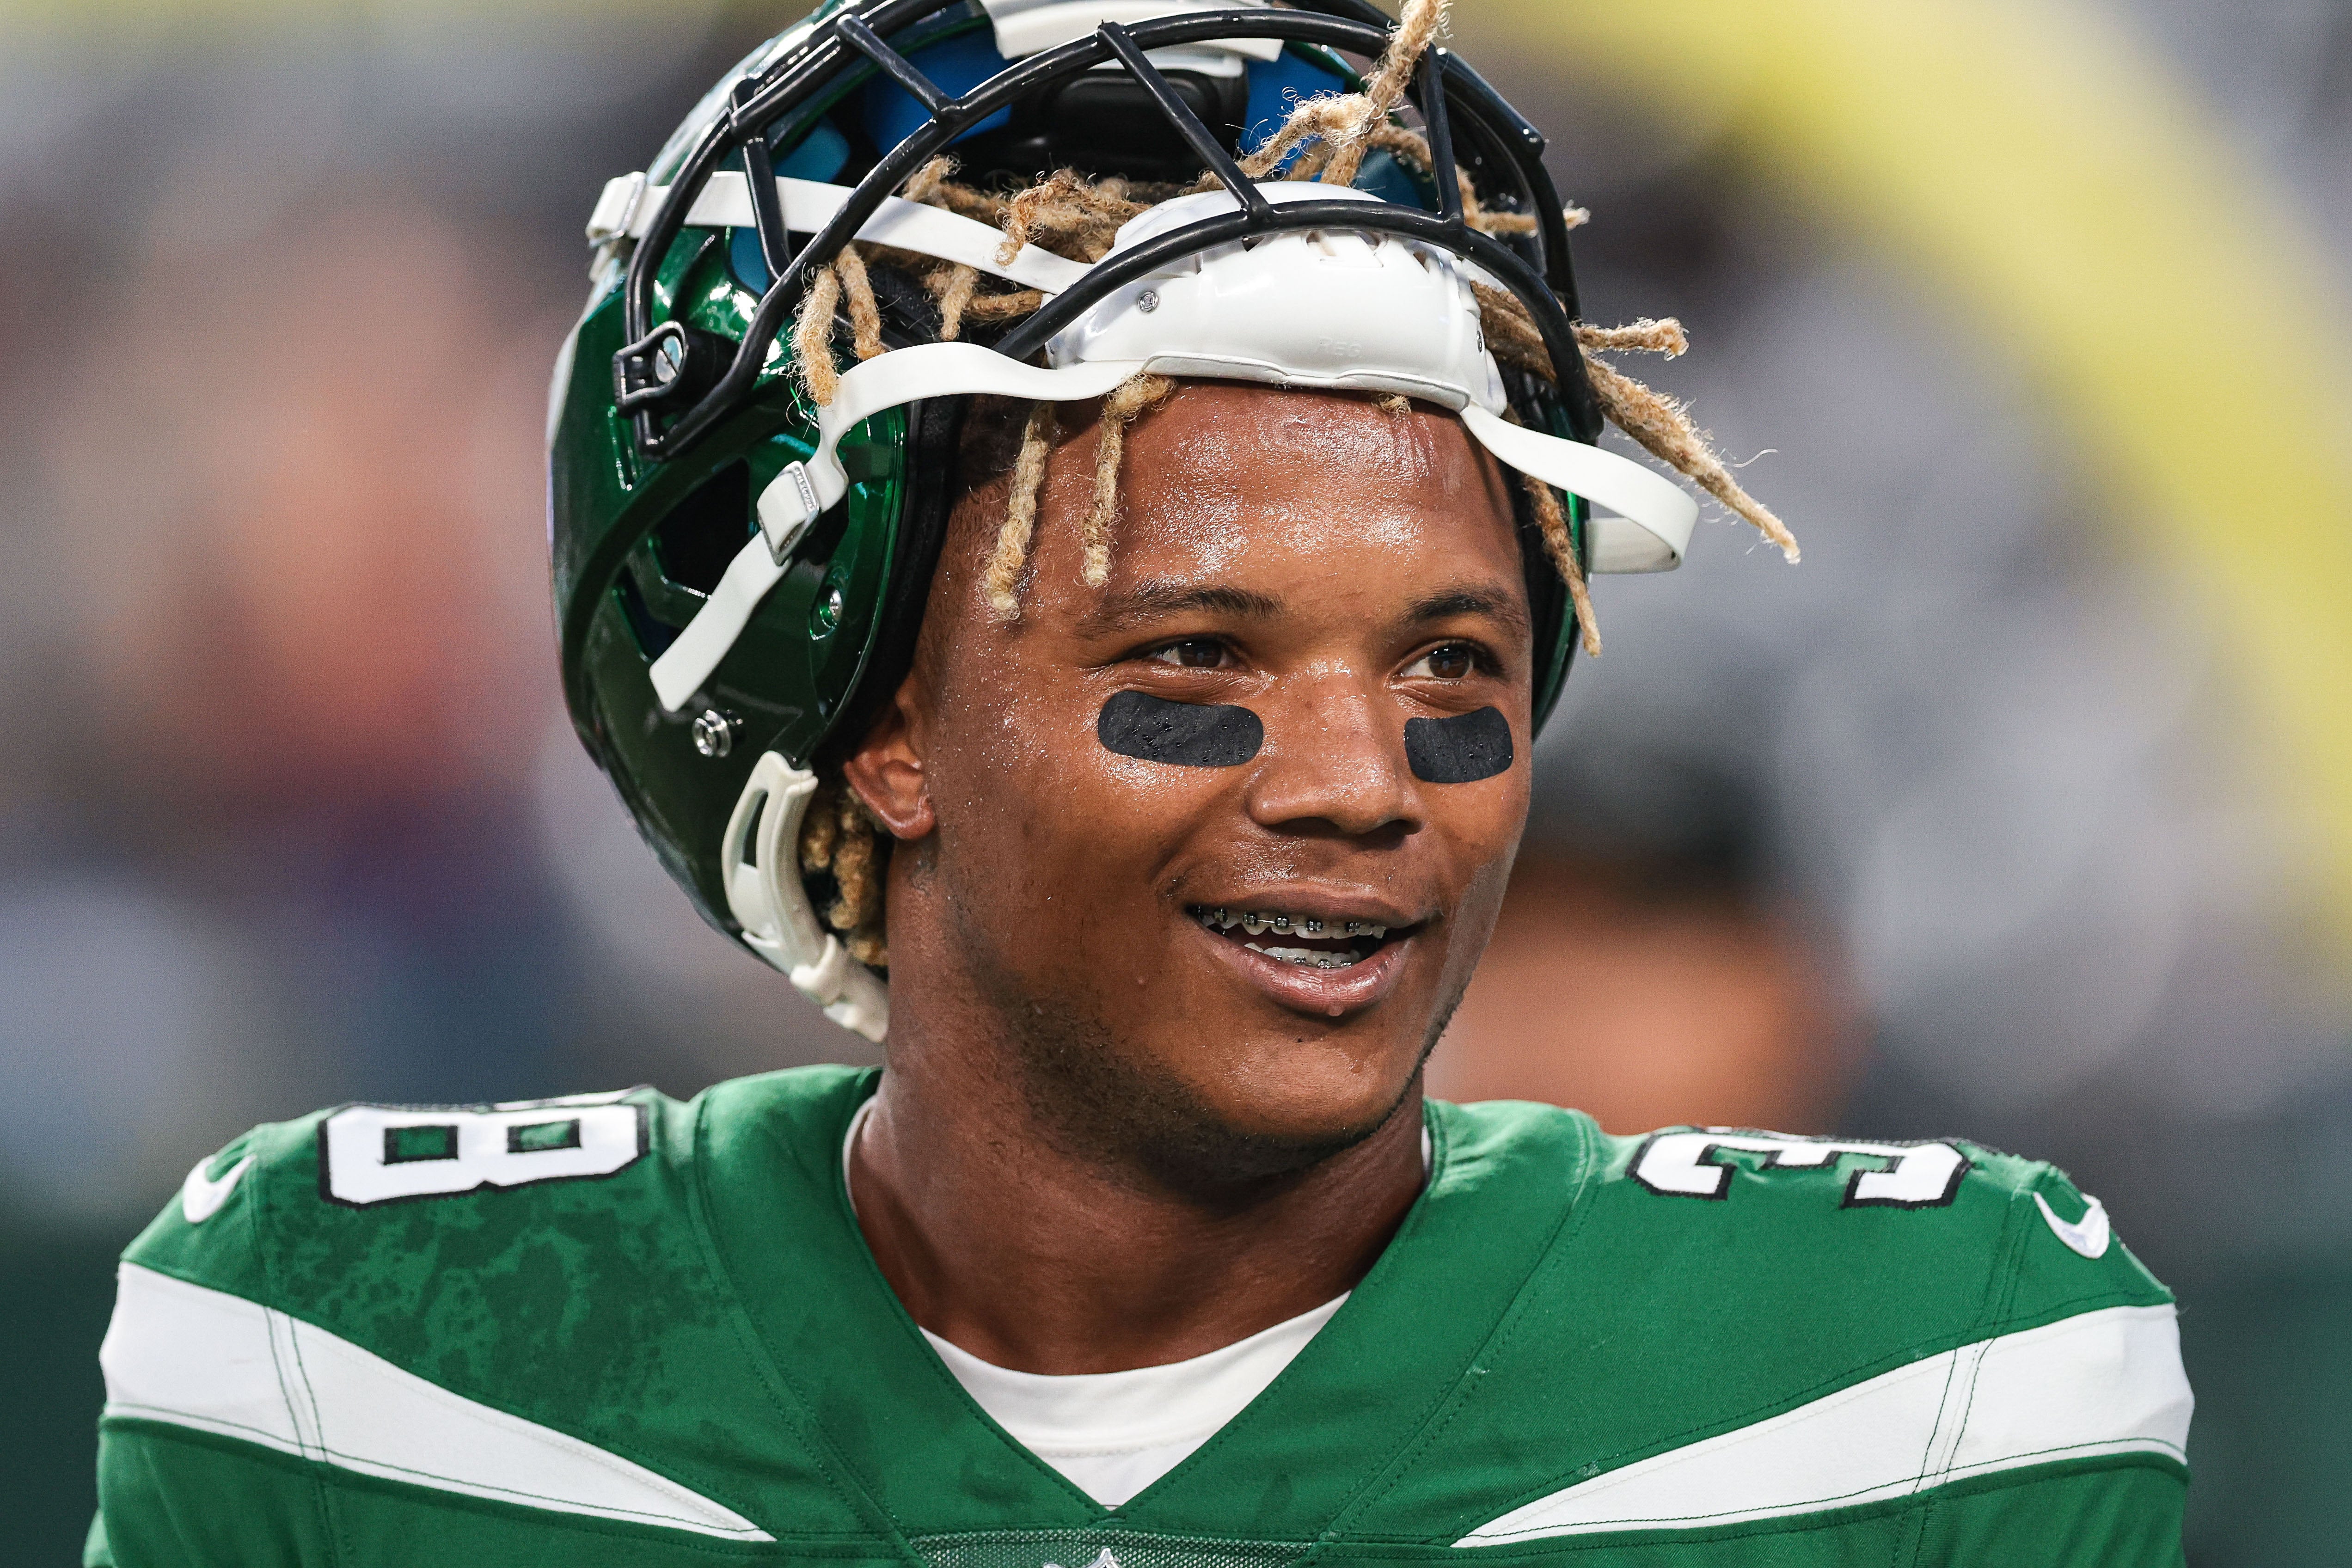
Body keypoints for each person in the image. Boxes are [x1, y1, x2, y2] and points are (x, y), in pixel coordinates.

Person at [86, 1, 2191, 1562]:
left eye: (1452, 665)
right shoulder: (368, 1368)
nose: (1370, 779)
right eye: (1201, 659)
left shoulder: (1925, 1383)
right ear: (883, 723)